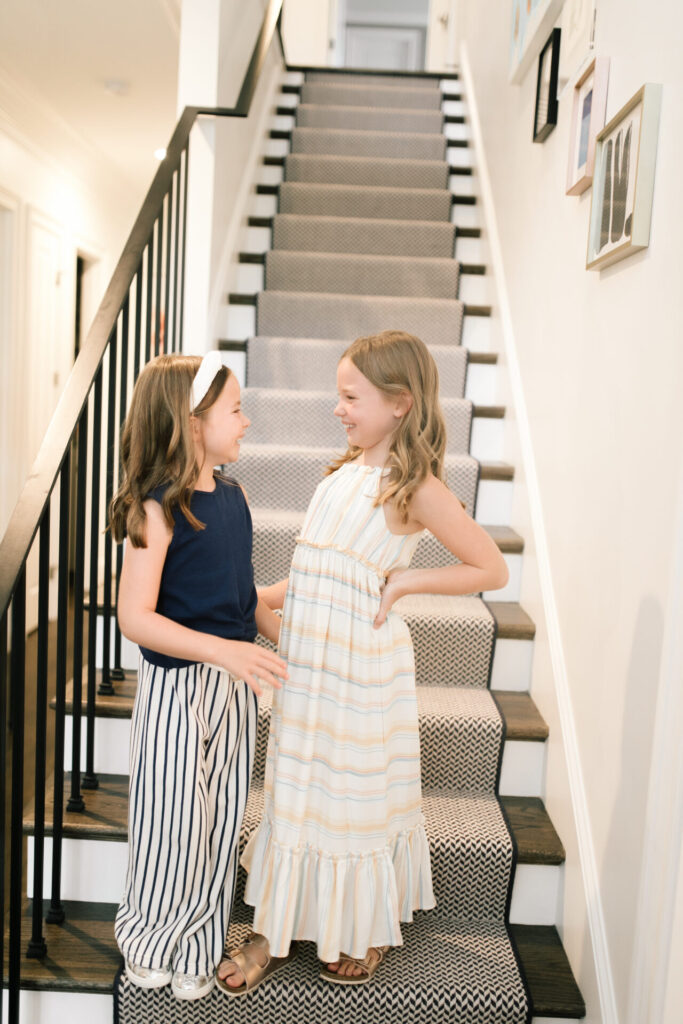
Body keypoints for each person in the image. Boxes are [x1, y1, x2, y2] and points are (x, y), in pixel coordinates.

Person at [217, 329, 509, 994]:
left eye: (351, 397)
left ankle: (363, 927)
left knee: (353, 798)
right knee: (299, 790)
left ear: (400, 402)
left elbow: (489, 567)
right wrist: (261, 596)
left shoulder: (415, 487)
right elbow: (316, 567)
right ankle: (273, 928)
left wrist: (406, 582)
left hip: (361, 672)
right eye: (339, 395)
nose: (338, 408)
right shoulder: (339, 474)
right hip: (311, 667)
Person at [110, 351, 287, 1001]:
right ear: (191, 424)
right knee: (172, 818)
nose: (246, 421)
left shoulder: (236, 498)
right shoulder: (155, 509)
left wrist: (288, 642)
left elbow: (243, 597)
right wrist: (223, 651)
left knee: (219, 820)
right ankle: (151, 938)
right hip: (177, 689)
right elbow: (135, 616)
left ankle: (196, 944)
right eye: (235, 410)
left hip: (232, 688)